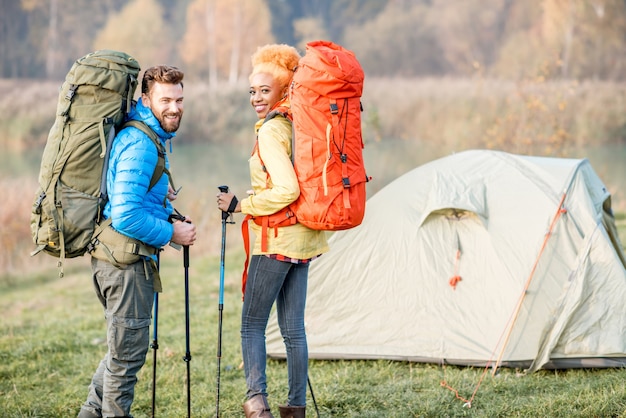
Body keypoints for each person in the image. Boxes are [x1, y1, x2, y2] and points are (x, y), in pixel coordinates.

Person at [78, 65, 197, 418]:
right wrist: (172, 233)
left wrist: (165, 208)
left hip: (114, 258)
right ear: (146, 99)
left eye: (179, 99)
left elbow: (128, 198)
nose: (174, 107)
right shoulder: (141, 143)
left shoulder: (146, 134)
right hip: (125, 267)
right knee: (126, 359)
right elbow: (127, 215)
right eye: (165, 99)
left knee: (120, 351)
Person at [217, 44, 329, 418]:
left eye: (265, 90)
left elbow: (287, 189)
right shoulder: (303, 125)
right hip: (305, 239)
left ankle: (256, 404)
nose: (256, 98)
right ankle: (295, 408)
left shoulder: (271, 132)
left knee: (251, 324)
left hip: (277, 239)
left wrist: (241, 205)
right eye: (252, 90)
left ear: (284, 90)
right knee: (293, 329)